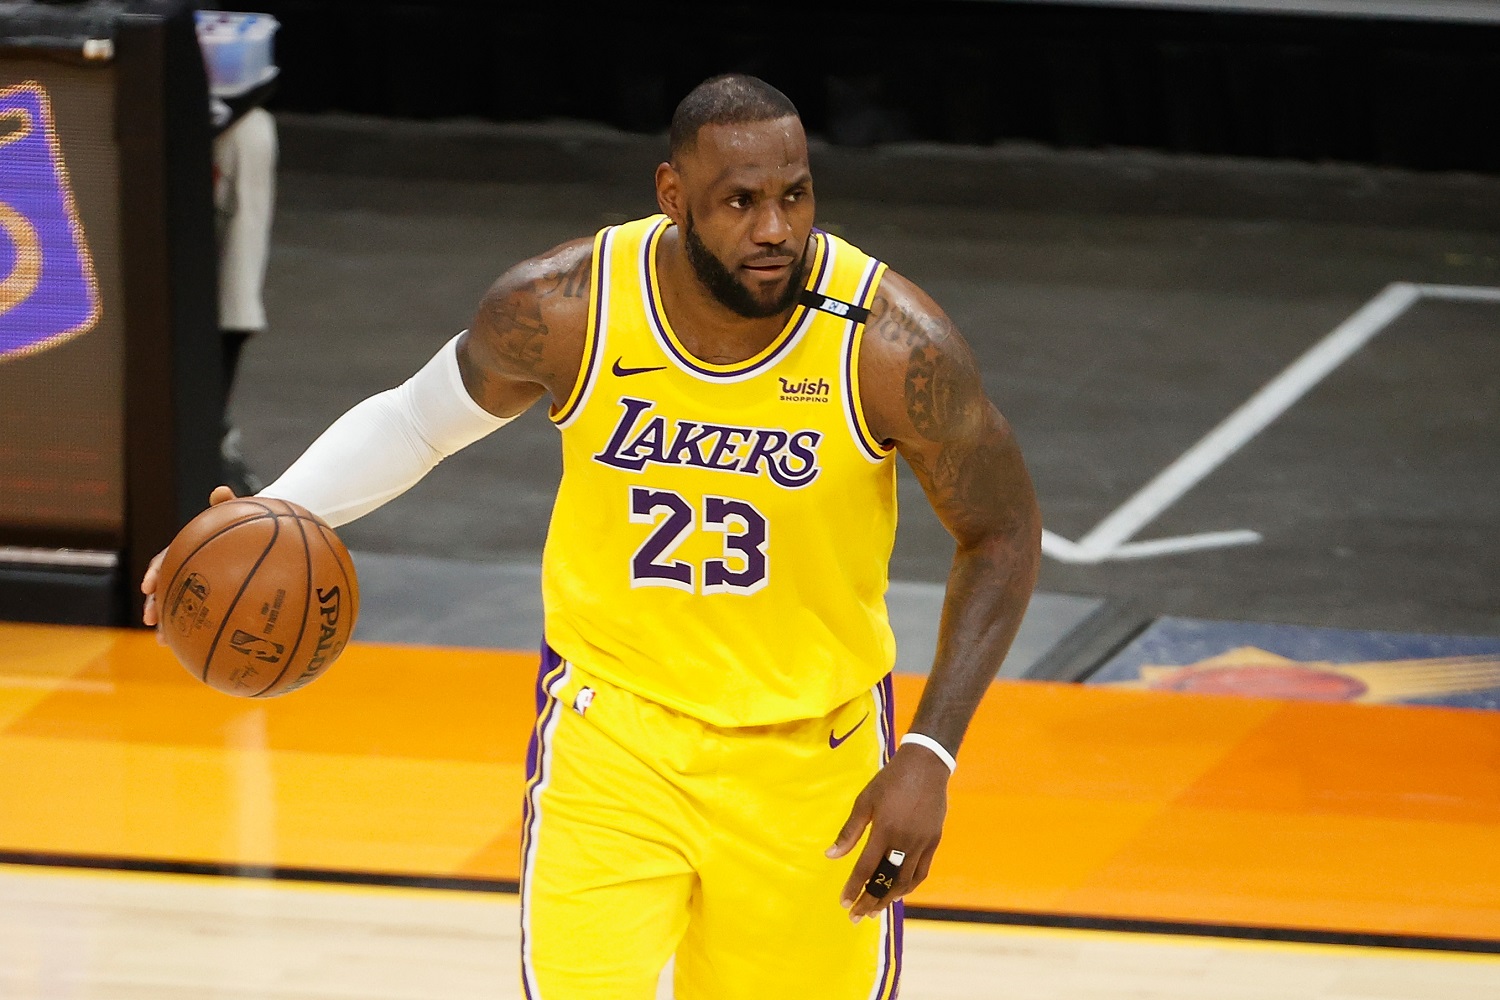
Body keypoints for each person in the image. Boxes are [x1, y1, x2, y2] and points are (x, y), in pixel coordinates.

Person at [143, 74, 1040, 1000]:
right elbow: (416, 424)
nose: (775, 228)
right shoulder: (568, 307)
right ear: (672, 196)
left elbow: (1003, 533)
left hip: (813, 760)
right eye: (739, 201)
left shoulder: (892, 345)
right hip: (613, 739)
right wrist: (257, 518)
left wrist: (930, 756)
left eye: (794, 194)